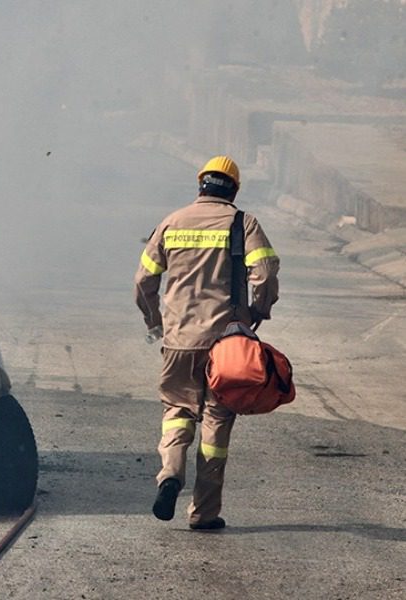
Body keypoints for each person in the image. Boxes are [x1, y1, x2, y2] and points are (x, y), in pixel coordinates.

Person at [133, 155, 280, 530]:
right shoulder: (242, 222)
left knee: (177, 412)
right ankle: (204, 513)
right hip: (225, 345)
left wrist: (156, 322)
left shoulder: (171, 222)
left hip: (178, 340)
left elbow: (143, 284)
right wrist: (256, 313)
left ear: (200, 185)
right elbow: (263, 272)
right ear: (233, 189)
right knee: (216, 421)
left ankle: (170, 473)